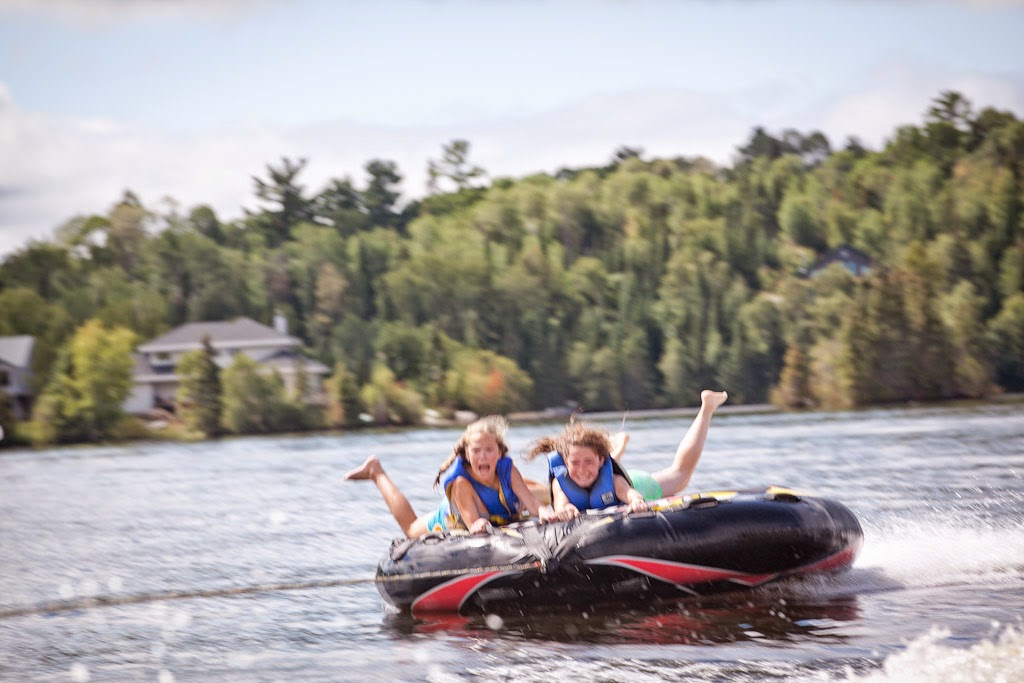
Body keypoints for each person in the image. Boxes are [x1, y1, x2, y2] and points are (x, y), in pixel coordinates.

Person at [344, 415, 563, 538]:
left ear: (499, 453)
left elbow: (532, 503)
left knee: (534, 494)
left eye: (489, 450)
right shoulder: (460, 482)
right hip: (449, 517)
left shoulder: (508, 469)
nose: (482, 456)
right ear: (466, 454)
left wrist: (545, 512)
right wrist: (477, 525)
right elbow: (474, 525)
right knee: (411, 529)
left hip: (499, 508)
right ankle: (376, 472)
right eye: (476, 451)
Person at [526, 389, 729, 515]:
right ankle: (618, 446)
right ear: (565, 463)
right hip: (607, 484)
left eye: (588, 461)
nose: (581, 469)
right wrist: (566, 510)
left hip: (638, 484)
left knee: (680, 474)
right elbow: (561, 502)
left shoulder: (613, 479)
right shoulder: (560, 482)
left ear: (601, 461)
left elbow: (628, 492)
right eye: (575, 463)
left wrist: (636, 500)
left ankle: (707, 408)